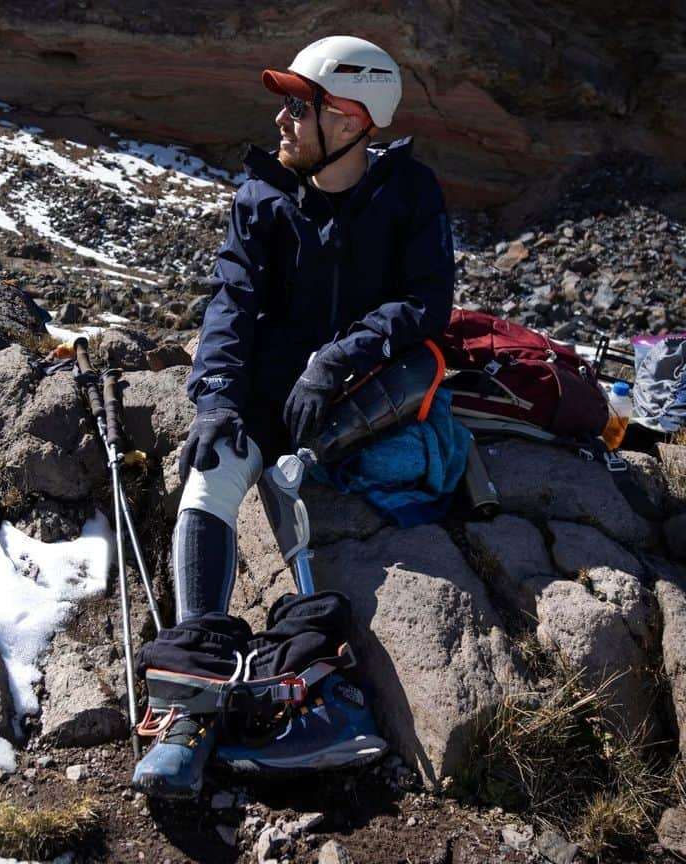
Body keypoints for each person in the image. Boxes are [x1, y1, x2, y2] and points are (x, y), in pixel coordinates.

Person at [132, 34, 456, 798]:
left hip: (349, 403)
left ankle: (302, 686)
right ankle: (194, 700)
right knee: (209, 476)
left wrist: (333, 360)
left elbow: (426, 303)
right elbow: (231, 302)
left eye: (297, 106)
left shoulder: (409, 194)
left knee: (300, 491)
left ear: (347, 121)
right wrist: (215, 398)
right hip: (264, 405)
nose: (280, 119)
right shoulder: (262, 197)